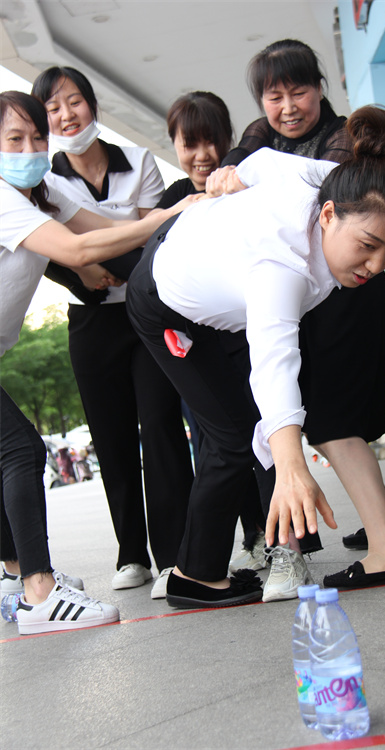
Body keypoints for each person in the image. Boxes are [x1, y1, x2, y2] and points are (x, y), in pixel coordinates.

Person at [126, 104, 385, 610]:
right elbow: (274, 362)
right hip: (165, 300)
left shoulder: (337, 182)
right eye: (369, 245)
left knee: (247, 425)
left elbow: (264, 161)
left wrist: (237, 177)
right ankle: (193, 576)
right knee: (233, 433)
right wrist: (290, 465)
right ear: (328, 215)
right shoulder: (281, 268)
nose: (376, 266)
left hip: (219, 284)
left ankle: (239, 561)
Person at [221, 39, 385, 599]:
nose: (288, 107)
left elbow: (267, 174)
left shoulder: (344, 140)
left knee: (332, 420)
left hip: (348, 291)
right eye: (274, 96)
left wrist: (250, 171)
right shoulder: (257, 139)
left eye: (299, 91)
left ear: (321, 89)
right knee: (328, 418)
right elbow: (240, 167)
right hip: (308, 295)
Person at [0, 90, 176, 634]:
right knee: (21, 449)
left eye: (37, 138)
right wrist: (168, 215)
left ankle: (14, 577)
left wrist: (170, 237)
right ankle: (39, 593)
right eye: (13, 139)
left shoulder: (41, 191)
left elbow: (99, 233)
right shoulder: (3, 197)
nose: (29, 149)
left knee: (7, 452)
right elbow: (77, 251)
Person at [32, 67, 195, 598]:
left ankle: (174, 554)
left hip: (147, 313)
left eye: (74, 101)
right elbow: (50, 250)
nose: (66, 115)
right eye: (53, 108)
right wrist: (81, 270)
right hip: (92, 320)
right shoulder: (44, 180)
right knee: (112, 436)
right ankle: (132, 554)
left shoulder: (139, 161)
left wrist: (94, 256)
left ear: (93, 104)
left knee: (162, 426)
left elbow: (154, 240)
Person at [154, 90, 236, 467]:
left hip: (242, 340)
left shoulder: (245, 187)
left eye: (211, 141)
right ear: (174, 144)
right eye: (190, 144)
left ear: (228, 140)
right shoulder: (175, 197)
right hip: (193, 346)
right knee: (209, 442)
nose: (202, 155)